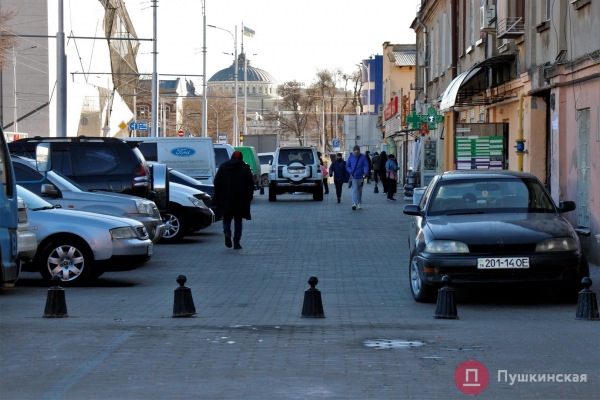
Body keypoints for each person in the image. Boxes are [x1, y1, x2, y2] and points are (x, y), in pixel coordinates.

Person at [213, 150, 255, 250]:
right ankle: (236, 242)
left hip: (226, 198)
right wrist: (249, 197)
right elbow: (250, 185)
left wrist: (218, 196)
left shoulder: (223, 167)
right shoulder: (245, 168)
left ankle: (227, 231)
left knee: (226, 217)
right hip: (240, 199)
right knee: (238, 220)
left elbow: (217, 182)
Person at [345, 145, 370, 210]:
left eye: (357, 150)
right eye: (355, 150)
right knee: (354, 190)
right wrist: (351, 171)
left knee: (360, 190)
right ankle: (354, 203)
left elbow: (366, 165)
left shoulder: (363, 157)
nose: (356, 151)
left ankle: (359, 203)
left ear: (359, 150)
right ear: (353, 150)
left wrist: (366, 172)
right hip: (353, 177)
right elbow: (347, 166)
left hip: (361, 177)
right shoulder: (350, 157)